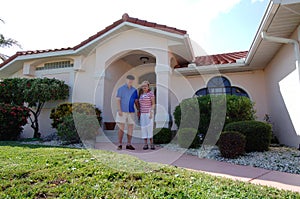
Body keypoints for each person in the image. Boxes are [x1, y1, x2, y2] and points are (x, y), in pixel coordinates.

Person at [116, 75, 139, 150]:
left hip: (131, 112)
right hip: (122, 111)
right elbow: (118, 100)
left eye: (132, 80)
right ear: (126, 80)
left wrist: (138, 110)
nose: (130, 81)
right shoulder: (121, 89)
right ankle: (119, 144)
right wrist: (119, 110)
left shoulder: (134, 90)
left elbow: (136, 101)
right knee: (121, 128)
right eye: (129, 80)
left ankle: (129, 144)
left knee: (130, 128)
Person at [138, 81, 155, 150]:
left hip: (149, 113)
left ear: (148, 87)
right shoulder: (141, 94)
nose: (144, 87)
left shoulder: (151, 94)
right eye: (143, 86)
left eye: (145, 86)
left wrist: (151, 112)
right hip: (142, 114)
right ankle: (145, 144)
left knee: (149, 128)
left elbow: (153, 104)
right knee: (143, 128)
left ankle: (151, 143)